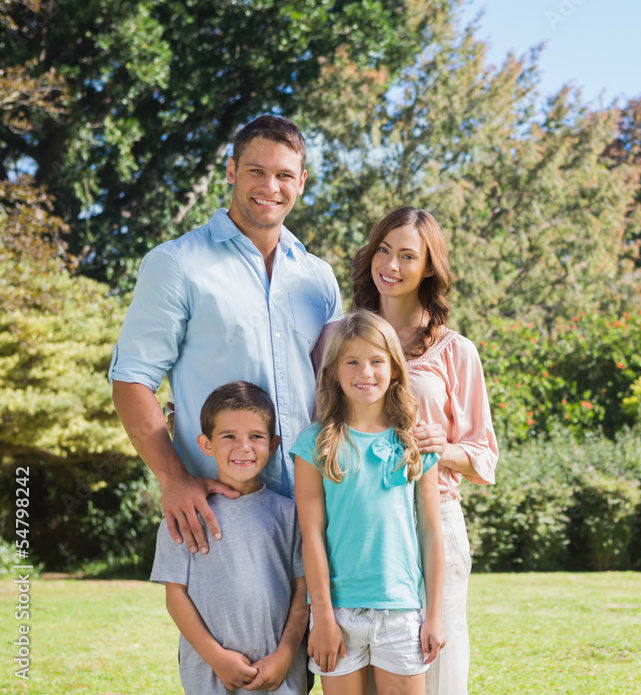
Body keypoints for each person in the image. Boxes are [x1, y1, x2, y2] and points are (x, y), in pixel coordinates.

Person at [109, 115, 342, 555]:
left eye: (284, 175)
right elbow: (130, 379)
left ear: (302, 182)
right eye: (256, 170)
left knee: (323, 627)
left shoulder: (320, 278)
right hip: (221, 511)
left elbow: (341, 386)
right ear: (232, 171)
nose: (270, 186)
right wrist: (174, 479)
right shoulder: (176, 264)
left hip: (319, 510)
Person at [351, 206, 500, 695]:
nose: (391, 264)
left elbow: (483, 455)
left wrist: (446, 448)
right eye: (384, 250)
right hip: (362, 527)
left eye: (407, 256)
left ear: (429, 268)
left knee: (435, 672)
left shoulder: (456, 351)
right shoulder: (339, 338)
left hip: (433, 523)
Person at [292, 310, 446, 695]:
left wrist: (434, 615)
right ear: (334, 372)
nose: (365, 372)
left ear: (394, 369)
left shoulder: (414, 444)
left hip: (401, 609)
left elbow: (430, 531)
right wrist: (322, 614)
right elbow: (311, 536)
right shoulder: (314, 445)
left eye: (377, 361)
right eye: (352, 362)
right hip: (338, 613)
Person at [151, 381, 309, 694]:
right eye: (229, 436)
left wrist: (285, 654)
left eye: (256, 437)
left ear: (273, 444)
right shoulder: (186, 514)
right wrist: (216, 657)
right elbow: (176, 596)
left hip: (280, 676)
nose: (243, 446)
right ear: (206, 444)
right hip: (211, 676)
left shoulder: (290, 514)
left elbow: (302, 592)